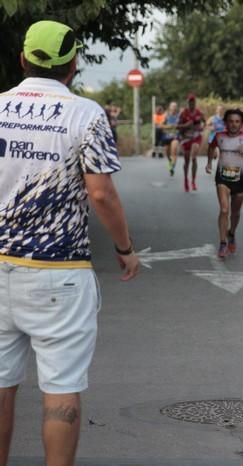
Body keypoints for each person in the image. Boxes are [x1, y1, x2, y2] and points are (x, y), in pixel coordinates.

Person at [0, 20, 140, 466]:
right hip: (59, 275)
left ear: (22, 59)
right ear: (73, 64)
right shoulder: (86, 114)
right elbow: (100, 193)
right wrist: (124, 248)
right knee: (60, 392)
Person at [206, 109, 243, 259]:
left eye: (237, 122)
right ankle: (223, 242)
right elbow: (211, 147)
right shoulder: (219, 136)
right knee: (224, 209)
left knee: (235, 212)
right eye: (231, 121)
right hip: (222, 178)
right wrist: (209, 163)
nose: (233, 124)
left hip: (240, 180)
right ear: (226, 123)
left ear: (241, 124)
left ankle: (231, 233)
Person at [177, 94, 205, 192]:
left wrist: (201, 127)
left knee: (193, 158)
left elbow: (204, 122)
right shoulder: (183, 113)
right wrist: (186, 125)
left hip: (196, 137)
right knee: (187, 161)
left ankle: (193, 181)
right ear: (187, 102)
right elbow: (178, 127)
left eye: (193, 102)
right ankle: (186, 179)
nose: (191, 104)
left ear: (195, 103)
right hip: (186, 138)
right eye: (190, 102)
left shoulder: (199, 113)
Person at [162, 101, 180, 176]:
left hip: (175, 136)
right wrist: (168, 126)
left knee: (174, 150)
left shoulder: (179, 116)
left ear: (177, 108)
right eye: (172, 106)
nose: (174, 108)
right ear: (170, 107)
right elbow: (161, 125)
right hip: (167, 136)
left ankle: (172, 167)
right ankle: (170, 162)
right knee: (167, 153)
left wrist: (178, 126)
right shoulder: (166, 115)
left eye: (175, 106)